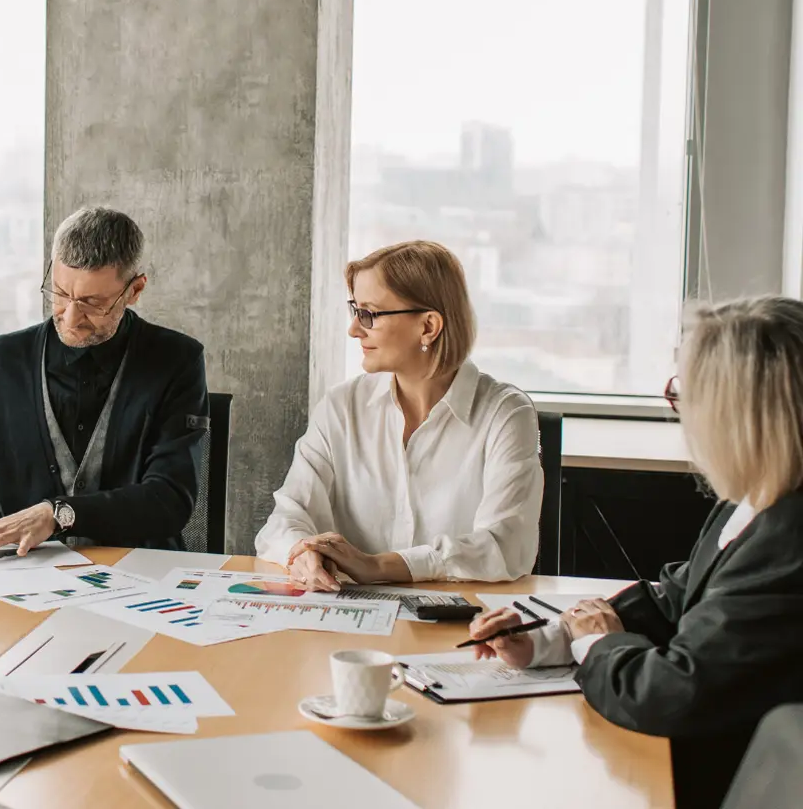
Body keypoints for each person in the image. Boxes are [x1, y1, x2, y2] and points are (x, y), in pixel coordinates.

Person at [468, 295, 803, 809]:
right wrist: (551, 639)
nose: (681, 414)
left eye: (686, 395)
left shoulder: (790, 541)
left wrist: (595, 646)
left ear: (740, 415)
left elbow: (672, 693)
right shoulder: (756, 498)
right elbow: (676, 599)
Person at [0, 207, 207, 558]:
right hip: (23, 579)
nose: (70, 317)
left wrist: (57, 514)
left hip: (143, 575)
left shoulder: (176, 361)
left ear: (135, 290)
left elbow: (170, 500)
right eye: (61, 293)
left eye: (93, 303)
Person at [255, 240, 541, 588]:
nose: (354, 329)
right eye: (355, 310)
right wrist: (302, 553)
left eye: (369, 314)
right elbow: (285, 518)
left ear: (428, 327)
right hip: (348, 622)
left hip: (464, 627)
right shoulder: (341, 406)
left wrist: (379, 567)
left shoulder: (506, 414)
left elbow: (505, 546)